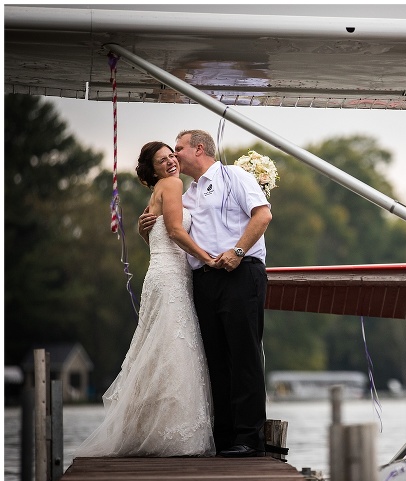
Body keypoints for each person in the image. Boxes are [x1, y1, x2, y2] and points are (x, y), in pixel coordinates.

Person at [74, 142, 216, 457]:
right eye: (161, 161)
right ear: (152, 170)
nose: (170, 162)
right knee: (173, 349)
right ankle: (170, 434)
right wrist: (208, 258)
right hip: (169, 279)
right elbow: (177, 232)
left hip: (161, 276)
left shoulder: (159, 192)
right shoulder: (173, 184)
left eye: (171, 156)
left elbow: (158, 233)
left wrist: (141, 232)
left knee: (161, 350)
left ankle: (150, 428)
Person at [140, 130, 272, 458]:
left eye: (179, 148)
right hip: (203, 279)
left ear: (199, 149)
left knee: (244, 355)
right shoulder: (184, 194)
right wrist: (149, 230)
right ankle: (224, 437)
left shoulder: (235, 175)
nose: (175, 155)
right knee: (214, 358)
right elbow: (174, 234)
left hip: (240, 272)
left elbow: (263, 214)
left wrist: (238, 250)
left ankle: (249, 438)